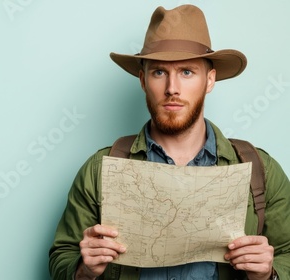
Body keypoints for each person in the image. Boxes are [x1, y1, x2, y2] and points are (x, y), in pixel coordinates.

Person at [48, 4, 290, 280]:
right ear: (142, 80)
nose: (172, 88)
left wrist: (268, 274)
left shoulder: (260, 169)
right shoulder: (100, 169)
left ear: (209, 80)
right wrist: (85, 268)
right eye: (159, 72)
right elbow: (61, 257)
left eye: (187, 72)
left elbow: (287, 253)